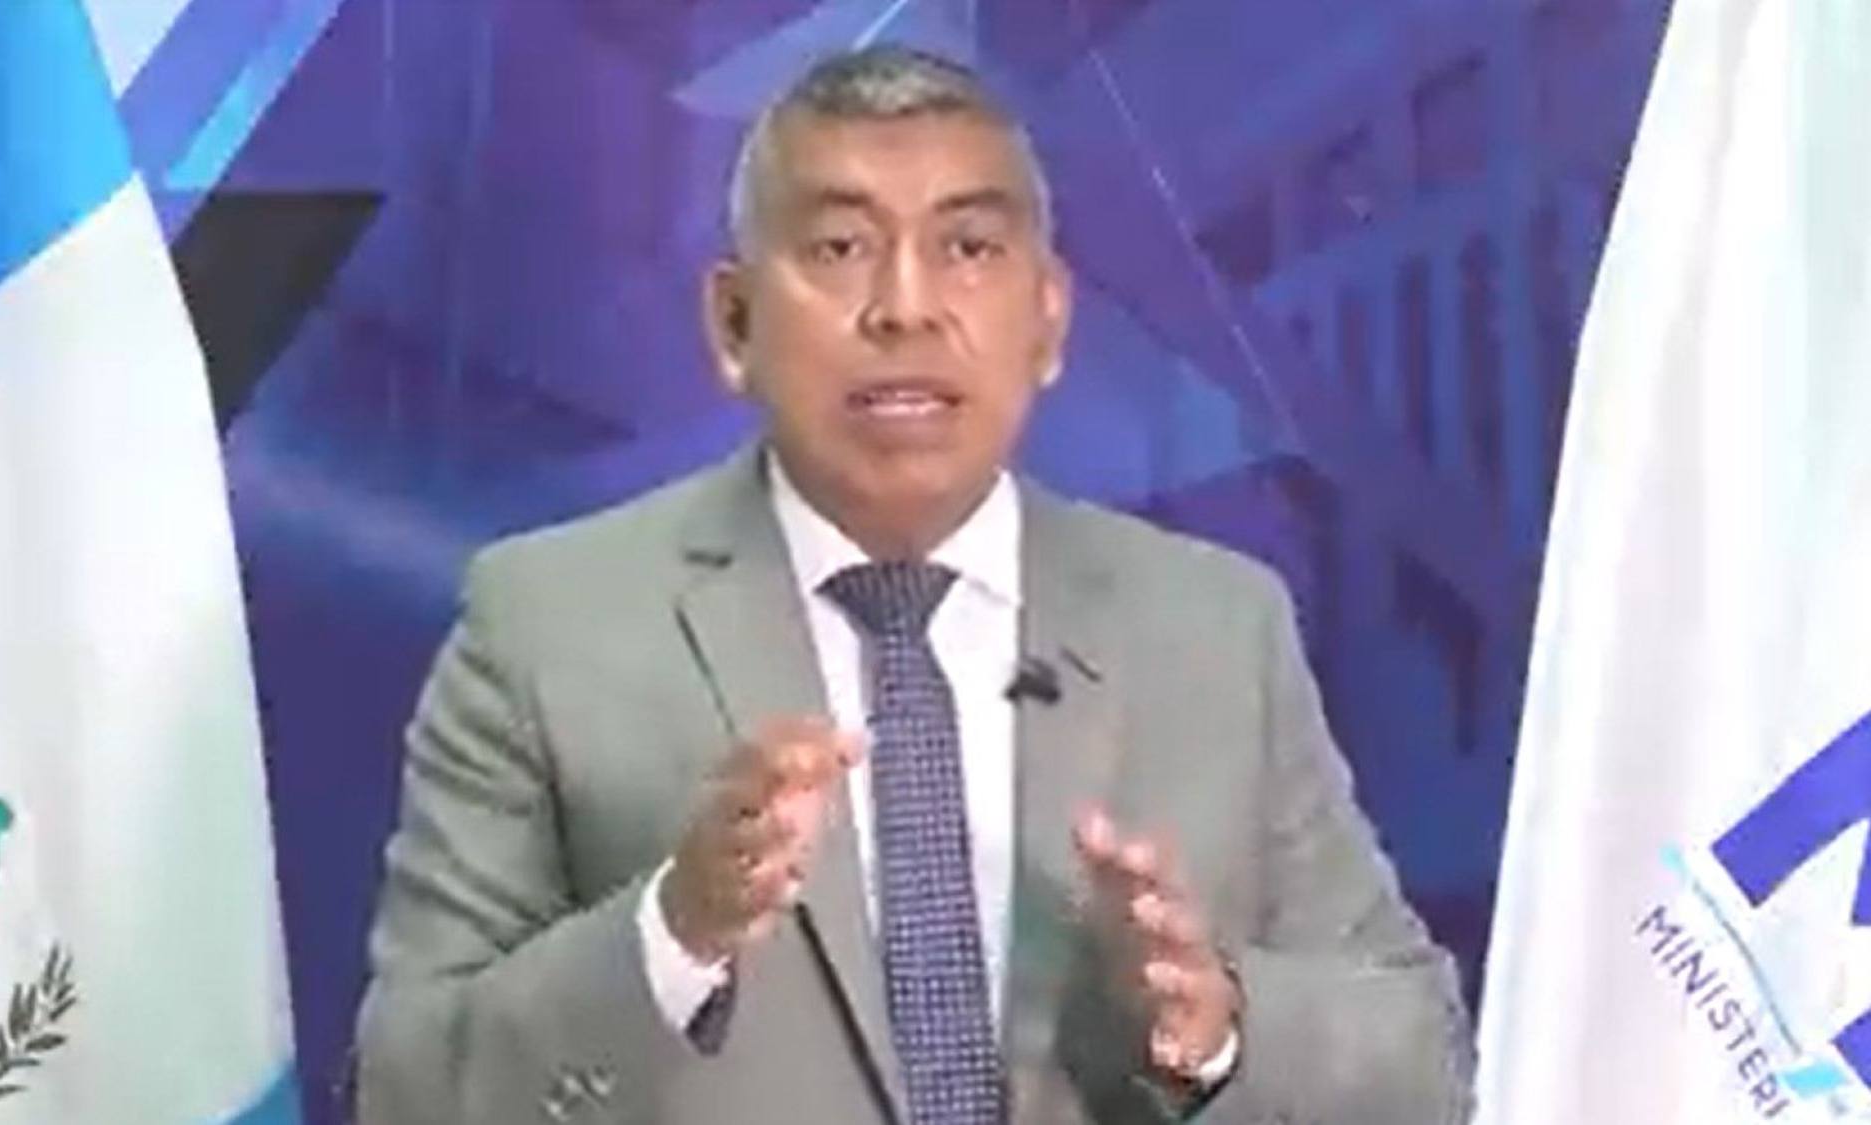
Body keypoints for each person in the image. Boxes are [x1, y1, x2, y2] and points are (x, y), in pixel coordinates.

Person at [354, 45, 1472, 1125]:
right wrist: (670, 936)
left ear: (1048, 320)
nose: (904, 306)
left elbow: (1421, 1066)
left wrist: (1218, 1024)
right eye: (840, 247)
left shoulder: (1217, 629)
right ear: (733, 322)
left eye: (968, 248)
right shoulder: (545, 625)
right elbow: (402, 1091)